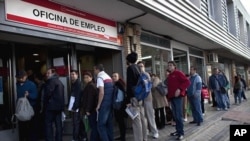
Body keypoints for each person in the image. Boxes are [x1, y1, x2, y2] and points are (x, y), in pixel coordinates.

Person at [126, 52, 147, 141]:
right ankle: (144, 138)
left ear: (128, 60)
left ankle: (138, 139)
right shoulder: (138, 68)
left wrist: (128, 100)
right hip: (140, 96)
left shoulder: (130, 68)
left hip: (134, 97)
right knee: (142, 118)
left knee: (136, 120)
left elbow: (129, 85)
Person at [167, 61, 190, 140]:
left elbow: (187, 81)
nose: (169, 67)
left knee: (178, 115)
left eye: (171, 65)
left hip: (178, 98)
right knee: (175, 116)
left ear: (174, 66)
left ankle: (181, 133)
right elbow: (169, 88)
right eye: (168, 65)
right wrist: (169, 99)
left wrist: (180, 89)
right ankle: (177, 130)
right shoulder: (170, 75)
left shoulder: (178, 73)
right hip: (172, 98)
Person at [137, 61, 159, 139]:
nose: (140, 68)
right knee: (143, 116)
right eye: (139, 66)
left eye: (141, 66)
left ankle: (155, 131)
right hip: (140, 99)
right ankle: (146, 130)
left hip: (147, 98)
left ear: (144, 67)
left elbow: (147, 86)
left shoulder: (146, 75)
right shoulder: (137, 75)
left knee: (150, 115)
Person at [16, 70, 38, 141]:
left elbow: (35, 96)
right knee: (21, 126)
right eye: (18, 77)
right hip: (19, 108)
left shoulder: (31, 84)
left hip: (30, 108)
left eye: (22, 77)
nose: (20, 79)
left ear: (26, 76)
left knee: (31, 126)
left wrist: (29, 95)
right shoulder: (15, 85)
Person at [94, 64, 114, 141]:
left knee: (101, 125)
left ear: (97, 69)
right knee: (109, 125)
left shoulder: (100, 77)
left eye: (94, 70)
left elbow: (101, 92)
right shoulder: (108, 76)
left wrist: (98, 105)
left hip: (104, 104)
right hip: (110, 103)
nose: (94, 72)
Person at [43, 68, 65, 141]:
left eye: (48, 73)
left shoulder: (51, 81)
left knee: (48, 125)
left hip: (51, 107)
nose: (47, 74)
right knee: (58, 125)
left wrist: (45, 103)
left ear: (53, 73)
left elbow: (48, 93)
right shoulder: (59, 82)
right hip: (59, 107)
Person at [82, 72, 100, 141]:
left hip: (92, 111)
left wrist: (88, 110)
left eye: (87, 77)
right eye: (84, 78)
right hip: (92, 110)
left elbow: (90, 99)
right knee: (94, 126)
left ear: (91, 78)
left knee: (93, 127)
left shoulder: (91, 86)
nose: (85, 79)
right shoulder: (90, 86)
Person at [69, 70, 87, 141]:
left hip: (77, 106)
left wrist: (75, 107)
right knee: (79, 122)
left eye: (73, 74)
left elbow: (78, 96)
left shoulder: (78, 84)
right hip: (77, 106)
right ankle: (83, 137)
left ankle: (75, 138)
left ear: (77, 75)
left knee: (76, 123)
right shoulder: (74, 83)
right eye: (71, 75)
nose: (72, 76)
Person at [112, 72, 127, 141]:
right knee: (121, 123)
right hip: (120, 107)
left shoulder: (119, 85)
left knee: (121, 123)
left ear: (118, 77)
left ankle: (123, 137)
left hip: (119, 107)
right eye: (113, 76)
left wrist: (117, 106)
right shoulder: (117, 84)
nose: (114, 77)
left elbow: (120, 97)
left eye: (115, 76)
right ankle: (122, 136)